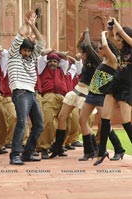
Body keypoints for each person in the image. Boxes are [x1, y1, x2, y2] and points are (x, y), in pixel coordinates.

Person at [49, 29, 101, 159]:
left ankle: (90, 149)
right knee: (62, 116)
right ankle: (58, 147)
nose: (80, 55)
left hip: (86, 93)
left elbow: (88, 46)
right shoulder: (85, 59)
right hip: (76, 90)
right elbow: (80, 46)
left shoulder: (96, 60)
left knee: (82, 121)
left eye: (82, 53)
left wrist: (88, 33)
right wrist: (82, 36)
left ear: (88, 53)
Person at [78, 30, 125, 162]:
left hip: (102, 96)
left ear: (107, 49)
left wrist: (104, 34)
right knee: (82, 119)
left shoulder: (113, 60)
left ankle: (119, 149)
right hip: (92, 94)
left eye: (100, 48)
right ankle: (89, 151)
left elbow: (104, 45)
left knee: (105, 125)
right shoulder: (102, 60)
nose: (99, 50)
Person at [7, 10, 45, 165]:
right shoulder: (13, 55)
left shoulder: (32, 57)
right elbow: (19, 36)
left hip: (31, 92)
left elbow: (41, 42)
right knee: (22, 122)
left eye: (29, 50)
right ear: (20, 49)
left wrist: (33, 26)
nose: (27, 53)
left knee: (39, 125)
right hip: (20, 91)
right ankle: (15, 154)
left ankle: (27, 153)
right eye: (25, 50)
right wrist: (25, 24)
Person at [94, 18, 132, 166]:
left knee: (126, 121)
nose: (118, 41)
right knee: (104, 117)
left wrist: (117, 25)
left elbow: (123, 35)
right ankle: (102, 151)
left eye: (120, 40)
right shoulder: (121, 50)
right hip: (115, 84)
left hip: (127, 87)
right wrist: (110, 29)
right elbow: (110, 38)